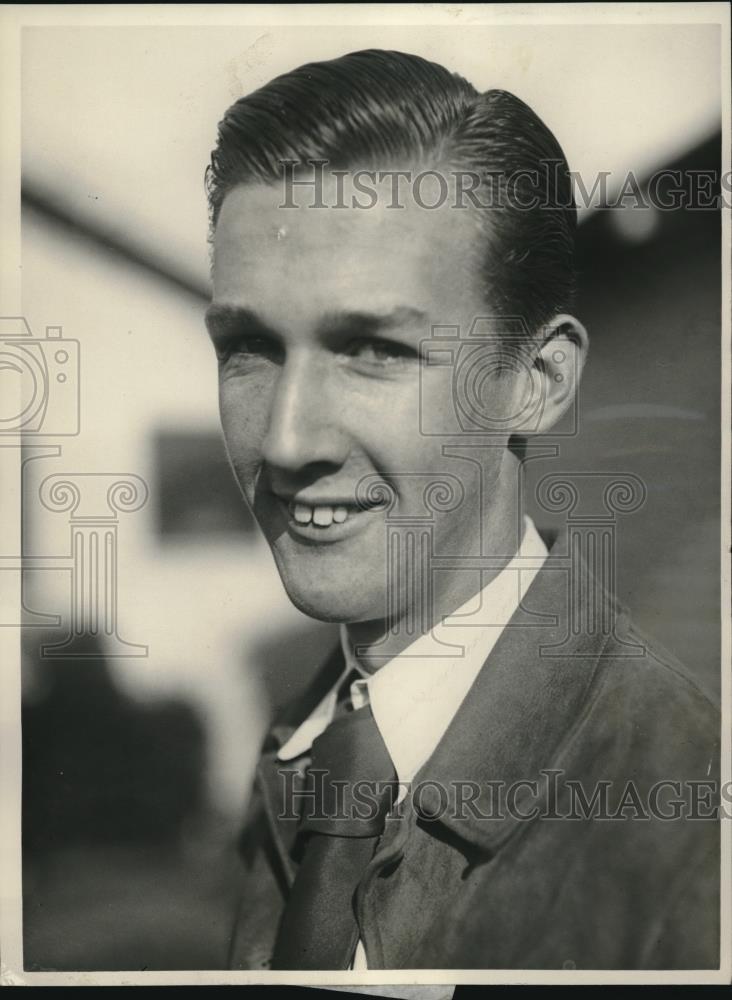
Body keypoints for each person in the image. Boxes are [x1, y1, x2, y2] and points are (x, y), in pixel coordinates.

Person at [204, 49, 720, 971]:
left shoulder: (687, 832)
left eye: (372, 348)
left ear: (536, 380)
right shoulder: (301, 754)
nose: (286, 442)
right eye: (248, 346)